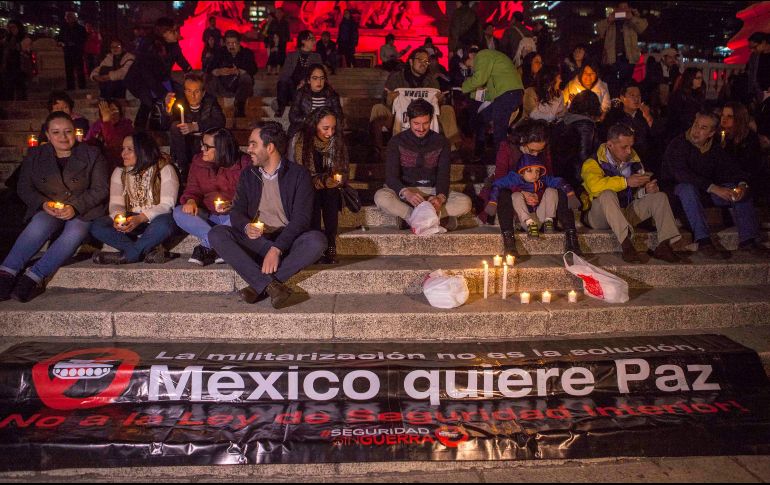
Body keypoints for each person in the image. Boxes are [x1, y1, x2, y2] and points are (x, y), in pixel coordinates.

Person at [209, 122, 327, 308]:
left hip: (288, 241)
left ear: (270, 147)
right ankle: (271, 286)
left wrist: (277, 249)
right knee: (217, 233)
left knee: (317, 241)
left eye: (253, 144)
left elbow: (301, 220)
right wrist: (247, 226)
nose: (248, 149)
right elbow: (237, 211)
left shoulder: (299, 175)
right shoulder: (248, 174)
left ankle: (258, 286)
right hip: (259, 240)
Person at [0, 112, 109, 302]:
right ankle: (7, 272)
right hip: (49, 207)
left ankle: (33, 277)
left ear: (75, 132)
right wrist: (44, 203)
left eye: (68, 131)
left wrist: (75, 207)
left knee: (75, 230)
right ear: (48, 135)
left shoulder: (92, 154)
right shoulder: (36, 155)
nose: (63, 137)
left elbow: (101, 188)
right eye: (56, 132)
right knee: (40, 222)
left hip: (83, 209)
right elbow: (24, 187)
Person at [662, 111, 766, 258]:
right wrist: (714, 188)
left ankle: (748, 240)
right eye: (696, 125)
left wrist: (742, 185)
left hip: (704, 191)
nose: (696, 131)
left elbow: (732, 169)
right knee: (687, 189)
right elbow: (681, 174)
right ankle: (703, 241)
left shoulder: (714, 148)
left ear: (711, 133)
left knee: (738, 191)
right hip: (677, 194)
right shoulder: (678, 144)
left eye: (703, 128)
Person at [583, 123, 683, 264]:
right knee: (607, 194)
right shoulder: (592, 162)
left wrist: (646, 191)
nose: (629, 151)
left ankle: (665, 245)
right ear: (610, 145)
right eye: (624, 147)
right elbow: (594, 187)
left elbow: (635, 193)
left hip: (625, 212)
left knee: (659, 197)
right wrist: (626, 182)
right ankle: (626, 245)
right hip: (600, 216)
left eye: (631, 146)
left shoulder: (634, 160)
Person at [374, 99, 472, 231]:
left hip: (431, 191)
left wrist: (440, 197)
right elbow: (391, 177)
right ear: (409, 120)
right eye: (416, 124)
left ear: (431, 120)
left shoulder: (441, 142)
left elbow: (443, 175)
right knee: (381, 197)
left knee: (465, 202)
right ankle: (421, 218)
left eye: (425, 123)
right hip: (405, 192)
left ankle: (414, 219)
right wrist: (406, 193)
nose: (421, 128)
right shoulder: (396, 141)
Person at [91, 132, 179, 265]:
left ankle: (128, 256)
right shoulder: (120, 172)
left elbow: (167, 204)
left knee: (165, 224)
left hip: (155, 219)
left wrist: (141, 218)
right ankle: (145, 251)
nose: (123, 154)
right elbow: (116, 204)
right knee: (97, 226)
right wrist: (119, 218)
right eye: (123, 149)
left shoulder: (164, 169)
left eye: (129, 149)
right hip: (131, 219)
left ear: (143, 151)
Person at [174, 128, 251, 266]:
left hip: (232, 216)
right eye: (202, 144)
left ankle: (206, 246)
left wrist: (233, 204)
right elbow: (192, 189)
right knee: (178, 212)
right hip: (208, 214)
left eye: (207, 146)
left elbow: (251, 196)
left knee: (242, 217)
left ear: (221, 148)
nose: (202, 148)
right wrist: (191, 201)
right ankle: (220, 244)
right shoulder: (198, 161)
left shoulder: (244, 163)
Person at [370, 48, 461, 155]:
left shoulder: (432, 81)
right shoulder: (396, 78)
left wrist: (440, 101)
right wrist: (389, 100)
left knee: (447, 109)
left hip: (425, 118)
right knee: (377, 108)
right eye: (420, 60)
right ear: (411, 61)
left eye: (426, 61)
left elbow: (437, 105)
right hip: (398, 118)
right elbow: (385, 100)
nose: (424, 64)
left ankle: (453, 149)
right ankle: (376, 149)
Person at [289, 107, 349, 264]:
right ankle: (315, 244)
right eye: (325, 128)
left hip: (329, 188)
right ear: (314, 125)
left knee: (331, 194)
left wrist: (338, 179)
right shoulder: (301, 141)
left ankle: (330, 242)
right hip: (307, 186)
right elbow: (299, 174)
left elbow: (343, 169)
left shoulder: (337, 141)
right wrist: (322, 181)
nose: (330, 133)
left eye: (333, 128)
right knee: (313, 196)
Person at [486, 153, 581, 242]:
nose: (535, 175)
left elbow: (559, 181)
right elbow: (497, 184)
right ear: (521, 172)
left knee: (551, 190)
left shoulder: (541, 179)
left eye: (537, 171)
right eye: (529, 171)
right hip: (525, 220)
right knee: (516, 195)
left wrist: (570, 193)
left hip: (541, 216)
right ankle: (530, 224)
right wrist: (492, 202)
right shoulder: (515, 179)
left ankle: (549, 221)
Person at [124, 17, 192, 131]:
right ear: (164, 33)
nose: (177, 33)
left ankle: (168, 128)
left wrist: (188, 69)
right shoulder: (150, 46)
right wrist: (163, 93)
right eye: (174, 31)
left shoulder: (172, 43)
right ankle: (140, 132)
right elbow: (147, 75)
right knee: (149, 102)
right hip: (140, 80)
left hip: (159, 78)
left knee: (174, 96)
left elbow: (178, 57)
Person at [461, 48, 525, 159]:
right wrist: (472, 94)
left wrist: (463, 87)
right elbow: (491, 94)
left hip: (508, 94)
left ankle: (501, 162)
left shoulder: (482, 55)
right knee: (481, 118)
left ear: (471, 55)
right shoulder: (493, 66)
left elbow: (478, 79)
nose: (473, 69)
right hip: (507, 94)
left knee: (499, 129)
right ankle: (479, 152)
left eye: (470, 66)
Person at [167, 73, 226, 183]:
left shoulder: (210, 102)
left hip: (203, 145)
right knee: (175, 126)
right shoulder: (179, 101)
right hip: (185, 147)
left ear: (203, 93)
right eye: (188, 91)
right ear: (184, 91)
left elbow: (220, 121)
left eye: (196, 91)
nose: (192, 95)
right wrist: (168, 110)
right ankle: (183, 169)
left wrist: (195, 126)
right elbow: (167, 125)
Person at [551, 90, 603, 192]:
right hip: (576, 176)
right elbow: (583, 155)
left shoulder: (565, 121)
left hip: (562, 172)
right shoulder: (585, 125)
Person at [596, 2, 647, 97]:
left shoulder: (633, 19)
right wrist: (609, 20)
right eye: (620, 8)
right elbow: (598, 29)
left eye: (625, 7)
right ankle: (614, 104)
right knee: (612, 86)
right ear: (616, 9)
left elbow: (643, 27)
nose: (623, 10)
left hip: (628, 59)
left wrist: (631, 17)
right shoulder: (611, 20)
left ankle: (625, 104)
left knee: (627, 85)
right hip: (612, 59)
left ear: (629, 8)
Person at [601, 82, 655, 172]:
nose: (636, 99)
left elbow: (654, 137)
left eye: (638, 96)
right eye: (632, 95)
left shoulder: (645, 114)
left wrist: (648, 117)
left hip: (645, 158)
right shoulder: (614, 116)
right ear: (622, 98)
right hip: (622, 160)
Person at [206, 30, 258, 118]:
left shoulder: (246, 53)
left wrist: (239, 71)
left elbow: (253, 69)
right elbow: (209, 69)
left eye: (234, 43)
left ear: (239, 43)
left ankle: (239, 107)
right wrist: (219, 71)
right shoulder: (220, 52)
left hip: (239, 87)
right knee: (209, 78)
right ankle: (211, 107)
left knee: (246, 77)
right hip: (223, 85)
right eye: (228, 43)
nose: (231, 46)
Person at [274, 30, 322, 117]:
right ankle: (280, 108)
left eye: (314, 39)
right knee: (283, 81)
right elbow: (285, 73)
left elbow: (319, 74)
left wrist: (305, 81)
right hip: (292, 87)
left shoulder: (316, 57)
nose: (314, 42)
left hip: (307, 87)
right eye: (311, 39)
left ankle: (295, 105)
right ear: (303, 41)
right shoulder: (292, 55)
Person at [288, 64, 343, 138]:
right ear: (308, 80)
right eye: (315, 78)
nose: (319, 82)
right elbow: (293, 117)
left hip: (326, 131)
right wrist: (311, 120)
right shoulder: (300, 94)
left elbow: (339, 116)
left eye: (322, 78)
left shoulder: (331, 95)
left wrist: (325, 123)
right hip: (304, 130)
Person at [720, 102, 766, 192]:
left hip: (744, 181)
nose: (724, 119)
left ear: (739, 118)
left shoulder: (750, 139)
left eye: (730, 116)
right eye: (722, 115)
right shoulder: (720, 135)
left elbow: (750, 167)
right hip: (724, 180)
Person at [85, 99, 134, 168]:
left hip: (119, 164)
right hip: (99, 164)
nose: (111, 114)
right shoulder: (96, 125)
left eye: (114, 110)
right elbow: (89, 143)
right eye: (107, 111)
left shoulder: (126, 126)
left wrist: (107, 122)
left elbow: (114, 145)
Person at [666, 68, 706, 140]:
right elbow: (675, 116)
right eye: (698, 78)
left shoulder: (698, 94)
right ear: (690, 79)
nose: (701, 80)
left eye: (701, 78)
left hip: (693, 128)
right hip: (680, 131)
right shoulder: (679, 95)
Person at [1, 20, 33, 101]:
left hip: (20, 66)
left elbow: (21, 47)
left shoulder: (25, 38)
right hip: (9, 66)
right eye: (10, 27)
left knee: (21, 88)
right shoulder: (7, 38)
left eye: (13, 27)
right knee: (8, 88)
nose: (12, 29)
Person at [56, 11, 87, 91]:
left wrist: (75, 43)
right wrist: (60, 42)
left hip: (77, 51)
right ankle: (70, 86)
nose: (67, 19)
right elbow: (60, 37)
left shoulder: (80, 28)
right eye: (67, 17)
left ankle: (82, 85)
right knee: (69, 69)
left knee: (79, 69)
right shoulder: (64, 28)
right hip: (67, 50)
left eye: (69, 17)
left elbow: (84, 39)